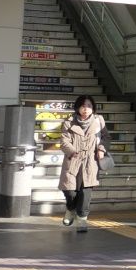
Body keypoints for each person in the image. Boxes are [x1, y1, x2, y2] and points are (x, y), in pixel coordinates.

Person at [58, 95, 107, 234]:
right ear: (78, 107)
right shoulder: (69, 122)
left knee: (85, 194)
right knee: (70, 192)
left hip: (90, 162)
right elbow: (64, 141)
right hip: (73, 161)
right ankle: (70, 209)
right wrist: (72, 152)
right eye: (83, 106)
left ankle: (82, 220)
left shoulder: (98, 121)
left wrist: (101, 149)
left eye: (89, 106)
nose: (86, 109)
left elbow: (105, 137)